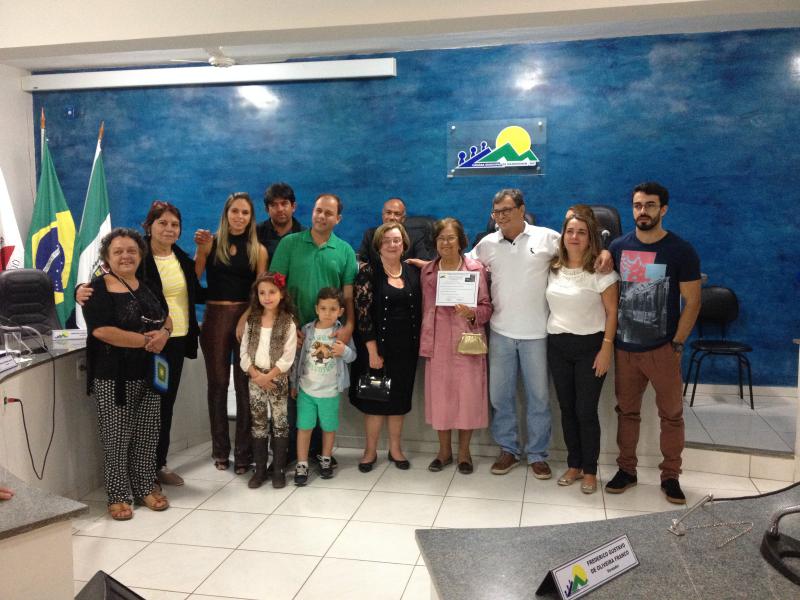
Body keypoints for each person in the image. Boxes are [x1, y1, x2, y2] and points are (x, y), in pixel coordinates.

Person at [77, 201, 203, 487]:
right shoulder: (137, 256)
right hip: (136, 349)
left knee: (161, 407)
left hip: (172, 341)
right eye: (162, 223)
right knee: (132, 417)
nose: (169, 229)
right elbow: (102, 287)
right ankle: (131, 478)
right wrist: (79, 290)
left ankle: (155, 466)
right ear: (149, 226)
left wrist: (166, 332)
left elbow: (189, 293)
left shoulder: (180, 257)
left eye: (175, 224)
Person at [605, 182, 701, 505]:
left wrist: (677, 343)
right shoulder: (618, 247)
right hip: (625, 348)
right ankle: (626, 470)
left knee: (671, 415)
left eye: (649, 205)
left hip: (662, 349)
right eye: (637, 205)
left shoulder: (680, 250)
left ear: (664, 209)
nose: (642, 211)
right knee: (626, 412)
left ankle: (670, 476)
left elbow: (693, 302)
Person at [468, 189, 560, 479]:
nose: (501, 217)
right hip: (500, 333)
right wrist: (427, 266)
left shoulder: (547, 238)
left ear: (522, 209)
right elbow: (461, 266)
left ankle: (537, 455)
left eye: (506, 210)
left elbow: (580, 253)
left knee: (539, 399)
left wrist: (604, 254)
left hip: (537, 334)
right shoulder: (487, 244)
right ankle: (507, 449)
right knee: (500, 397)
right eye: (496, 212)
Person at [83, 228, 172, 520]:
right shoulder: (96, 290)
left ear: (140, 255)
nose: (126, 256)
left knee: (147, 435)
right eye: (118, 251)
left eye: (131, 250)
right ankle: (118, 495)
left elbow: (167, 317)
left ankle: (145, 487)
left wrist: (164, 334)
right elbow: (102, 331)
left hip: (150, 374)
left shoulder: (148, 286)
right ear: (107, 258)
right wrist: (146, 341)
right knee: (117, 439)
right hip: (113, 377)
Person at [268, 193, 358, 467]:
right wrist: (286, 326)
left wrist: (349, 325)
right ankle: (285, 455)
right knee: (290, 395)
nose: (322, 216)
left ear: (338, 219)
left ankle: (319, 453)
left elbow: (348, 296)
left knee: (322, 391)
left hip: (326, 336)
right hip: (294, 335)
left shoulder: (344, 251)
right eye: (319, 210)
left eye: (329, 213)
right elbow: (274, 288)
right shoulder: (290, 244)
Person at [546, 210, 619, 494]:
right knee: (567, 410)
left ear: (590, 238)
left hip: (591, 348)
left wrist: (606, 349)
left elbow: (612, 313)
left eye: (581, 232)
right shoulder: (553, 267)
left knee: (585, 411)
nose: (574, 237)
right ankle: (574, 465)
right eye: (570, 231)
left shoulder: (601, 271)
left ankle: (590, 470)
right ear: (563, 235)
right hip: (558, 347)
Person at [195, 192, 268, 474]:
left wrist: (245, 320)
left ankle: (244, 453)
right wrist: (199, 250)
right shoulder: (210, 243)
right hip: (214, 318)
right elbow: (192, 279)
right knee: (217, 384)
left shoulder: (258, 250)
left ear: (251, 218)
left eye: (245, 212)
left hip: (246, 318)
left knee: (245, 385)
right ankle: (220, 451)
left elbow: (260, 293)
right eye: (235, 211)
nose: (239, 216)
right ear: (226, 214)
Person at [420, 218, 492, 475]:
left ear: (461, 241)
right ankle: (443, 452)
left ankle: (464, 453)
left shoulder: (475, 269)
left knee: (467, 398)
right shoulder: (428, 271)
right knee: (441, 399)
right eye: (441, 238)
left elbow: (487, 308)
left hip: (467, 341)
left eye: (451, 238)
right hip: (437, 342)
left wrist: (472, 313)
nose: (446, 243)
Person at [350, 223, 422, 472]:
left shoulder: (411, 271)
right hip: (376, 349)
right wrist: (372, 351)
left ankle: (395, 449)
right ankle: (370, 451)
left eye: (397, 240)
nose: (393, 244)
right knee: (375, 401)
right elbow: (363, 315)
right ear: (379, 244)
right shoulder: (368, 272)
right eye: (388, 240)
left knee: (399, 401)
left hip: (406, 350)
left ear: (404, 243)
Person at [291, 287, 357, 485]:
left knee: (329, 427)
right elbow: (298, 358)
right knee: (304, 427)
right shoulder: (307, 330)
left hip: (330, 391)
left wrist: (344, 351)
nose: (328, 313)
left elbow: (352, 356)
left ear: (341, 311)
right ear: (316, 309)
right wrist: (294, 383)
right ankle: (302, 463)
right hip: (306, 390)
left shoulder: (341, 333)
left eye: (333, 309)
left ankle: (326, 459)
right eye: (323, 308)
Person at [239, 272, 297, 489]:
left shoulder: (287, 322)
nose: (267, 297)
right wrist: (256, 375)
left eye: (272, 292)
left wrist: (268, 376)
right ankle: (260, 470)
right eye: (262, 293)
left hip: (277, 379)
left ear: (281, 294)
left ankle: (279, 470)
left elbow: (288, 357)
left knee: (280, 423)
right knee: (259, 423)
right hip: (255, 379)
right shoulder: (252, 321)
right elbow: (244, 352)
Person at [356, 197, 434, 264]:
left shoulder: (416, 236)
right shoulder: (370, 234)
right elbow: (359, 259)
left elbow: (424, 262)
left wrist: (410, 264)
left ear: (403, 218)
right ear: (383, 215)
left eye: (397, 214)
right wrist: (364, 268)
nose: (392, 217)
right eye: (388, 213)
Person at [256, 182, 305, 258]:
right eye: (274, 205)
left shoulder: (305, 236)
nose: (280, 209)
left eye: (284, 204)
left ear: (293, 207)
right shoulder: (256, 233)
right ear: (267, 210)